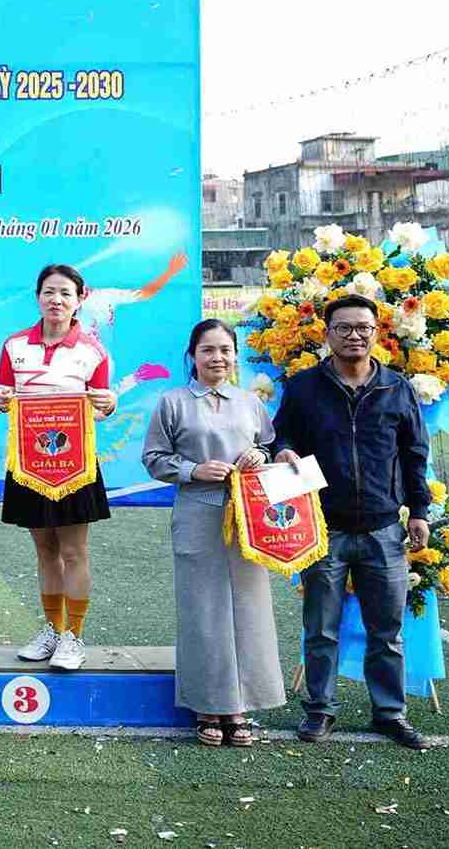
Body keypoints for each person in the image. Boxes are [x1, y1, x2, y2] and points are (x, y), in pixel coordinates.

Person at [273, 293, 432, 750]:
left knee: (387, 631)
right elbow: (280, 436)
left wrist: (419, 511)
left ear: (376, 332)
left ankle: (390, 712)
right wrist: (283, 450)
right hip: (323, 528)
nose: (354, 335)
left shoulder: (396, 388)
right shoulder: (304, 387)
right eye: (343, 328)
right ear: (327, 334)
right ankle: (320, 710)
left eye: (363, 327)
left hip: (384, 529)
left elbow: (414, 454)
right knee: (321, 630)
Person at [142, 319, 284, 746]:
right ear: (193, 356)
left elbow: (270, 445)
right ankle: (207, 704)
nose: (217, 358)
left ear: (235, 355)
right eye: (208, 350)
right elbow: (154, 457)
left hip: (248, 516)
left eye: (225, 349)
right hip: (198, 511)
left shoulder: (250, 402)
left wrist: (259, 455)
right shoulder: (172, 402)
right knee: (203, 610)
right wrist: (193, 470)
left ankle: (240, 705)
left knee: (249, 608)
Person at [0, 263, 116, 670]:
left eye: (65, 293)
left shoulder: (93, 351)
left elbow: (99, 407)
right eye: (49, 292)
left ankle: (73, 636)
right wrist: (0, 401)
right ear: (37, 297)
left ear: (80, 299)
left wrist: (109, 404)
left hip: (75, 465)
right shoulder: (14, 346)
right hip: (29, 463)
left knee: (74, 551)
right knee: (45, 551)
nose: (56, 300)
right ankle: (52, 629)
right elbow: (4, 398)